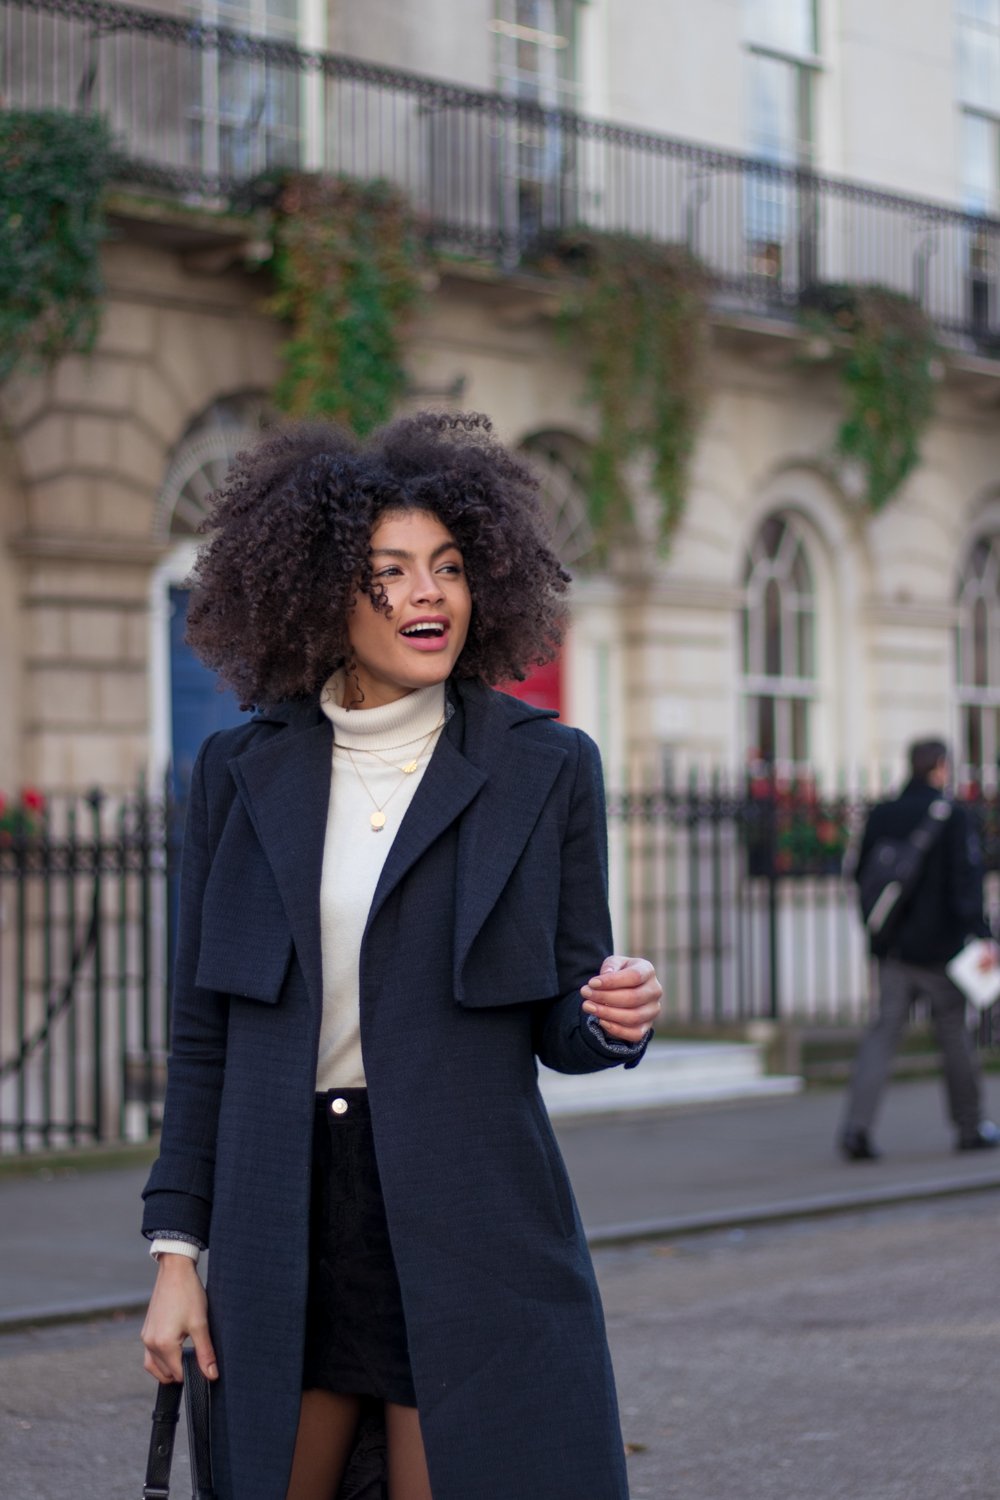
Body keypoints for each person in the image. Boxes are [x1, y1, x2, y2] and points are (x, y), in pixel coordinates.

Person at [139, 412, 664, 1500]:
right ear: (321, 591)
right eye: (389, 573)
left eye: (449, 568)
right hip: (281, 1219)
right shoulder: (238, 772)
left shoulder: (545, 766)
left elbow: (561, 1023)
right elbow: (203, 1037)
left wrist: (611, 1013)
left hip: (472, 1223)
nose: (429, 595)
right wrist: (175, 1256)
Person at [839, 737, 999, 1162]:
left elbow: (860, 876)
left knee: (881, 1037)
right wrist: (983, 936)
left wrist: (880, 935)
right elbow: (966, 886)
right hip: (942, 952)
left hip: (894, 949)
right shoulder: (953, 816)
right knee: (955, 1039)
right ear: (941, 767)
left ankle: (856, 1128)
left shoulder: (883, 813)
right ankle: (970, 1127)